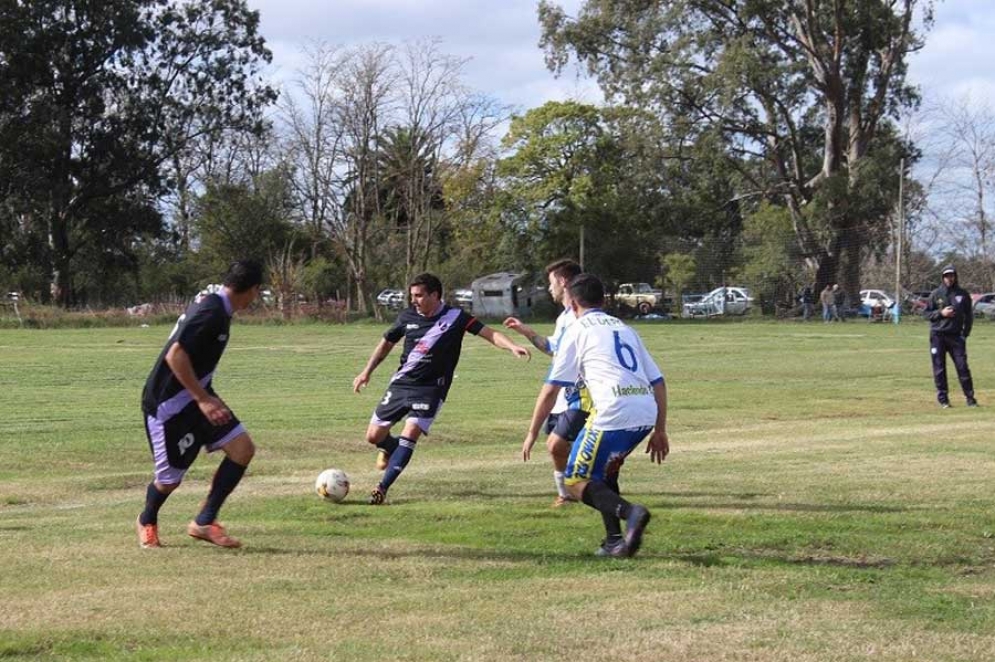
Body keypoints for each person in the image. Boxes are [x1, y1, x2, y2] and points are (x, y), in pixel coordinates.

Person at [523, 273, 669, 558]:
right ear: (603, 300)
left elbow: (552, 388)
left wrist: (531, 432)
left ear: (573, 305)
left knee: (575, 482)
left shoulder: (576, 331)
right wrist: (660, 429)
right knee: (603, 473)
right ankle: (615, 541)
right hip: (644, 412)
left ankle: (632, 513)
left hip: (612, 412)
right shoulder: (625, 328)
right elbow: (658, 382)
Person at [353, 273, 531, 504]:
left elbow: (490, 333)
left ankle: (381, 488)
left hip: (431, 389)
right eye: (412, 296)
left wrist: (512, 347)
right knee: (373, 436)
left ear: (435, 295)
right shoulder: (407, 317)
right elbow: (386, 343)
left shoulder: (456, 317)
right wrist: (366, 372)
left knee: (410, 434)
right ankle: (391, 449)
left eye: (419, 296)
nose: (414, 300)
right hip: (402, 383)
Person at [136, 260, 263, 549]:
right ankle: (147, 519)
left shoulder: (218, 306)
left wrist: (204, 395)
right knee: (168, 480)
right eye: (257, 292)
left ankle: (204, 522)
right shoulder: (212, 311)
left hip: (196, 396)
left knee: (242, 448)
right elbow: (175, 355)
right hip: (167, 405)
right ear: (252, 289)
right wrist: (203, 399)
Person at [503, 259, 590, 507]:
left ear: (563, 282)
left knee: (557, 444)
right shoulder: (564, 317)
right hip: (565, 394)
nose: (549, 288)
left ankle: (574, 492)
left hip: (582, 394)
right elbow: (554, 348)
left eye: (551, 283)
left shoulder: (580, 316)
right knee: (557, 446)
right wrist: (527, 332)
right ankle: (569, 493)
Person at [923, 265, 977, 409]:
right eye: (946, 276)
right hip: (938, 336)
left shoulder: (963, 294)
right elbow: (926, 314)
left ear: (955, 276)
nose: (949, 278)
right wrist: (941, 313)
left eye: (951, 275)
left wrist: (965, 334)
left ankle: (970, 398)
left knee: (962, 367)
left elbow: (969, 316)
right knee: (939, 368)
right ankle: (943, 400)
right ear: (943, 277)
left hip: (956, 337)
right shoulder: (936, 294)